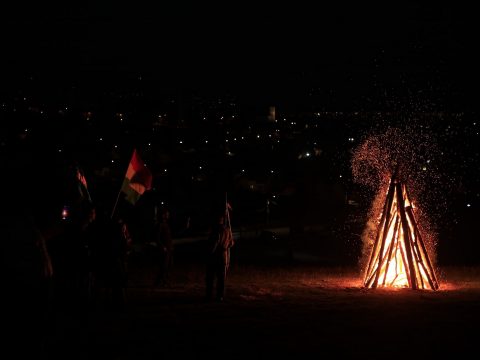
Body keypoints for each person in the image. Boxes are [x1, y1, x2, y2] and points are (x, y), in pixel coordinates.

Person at [205, 212, 234, 301]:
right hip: (223, 256)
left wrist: (210, 253)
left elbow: (215, 243)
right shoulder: (227, 230)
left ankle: (209, 295)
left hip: (215, 257)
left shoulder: (216, 230)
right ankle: (220, 296)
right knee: (221, 278)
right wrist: (225, 247)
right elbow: (232, 243)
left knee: (210, 277)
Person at [153, 208, 173, 287]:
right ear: (163, 215)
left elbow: (169, 237)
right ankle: (160, 282)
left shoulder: (166, 224)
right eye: (167, 214)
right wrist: (162, 247)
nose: (168, 215)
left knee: (169, 265)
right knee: (164, 266)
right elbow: (157, 238)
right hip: (164, 250)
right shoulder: (160, 225)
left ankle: (163, 281)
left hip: (169, 249)